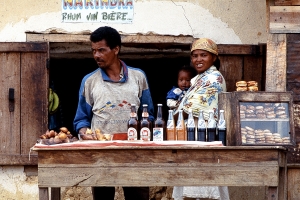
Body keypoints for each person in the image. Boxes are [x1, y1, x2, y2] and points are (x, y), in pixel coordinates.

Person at [73, 26, 154, 200]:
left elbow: (150, 114)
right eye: (93, 51)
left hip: (134, 152)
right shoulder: (89, 81)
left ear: (116, 49)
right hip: (101, 153)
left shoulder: (138, 77)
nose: (96, 55)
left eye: (101, 50)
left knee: (138, 197)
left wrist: (143, 130)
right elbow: (81, 120)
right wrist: (83, 133)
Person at [172, 38, 229, 200]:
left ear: (214, 57)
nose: (198, 60)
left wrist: (174, 114)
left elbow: (188, 109)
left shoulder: (213, 79)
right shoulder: (200, 78)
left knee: (203, 188)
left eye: (203, 55)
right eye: (194, 56)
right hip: (194, 135)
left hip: (204, 136)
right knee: (192, 186)